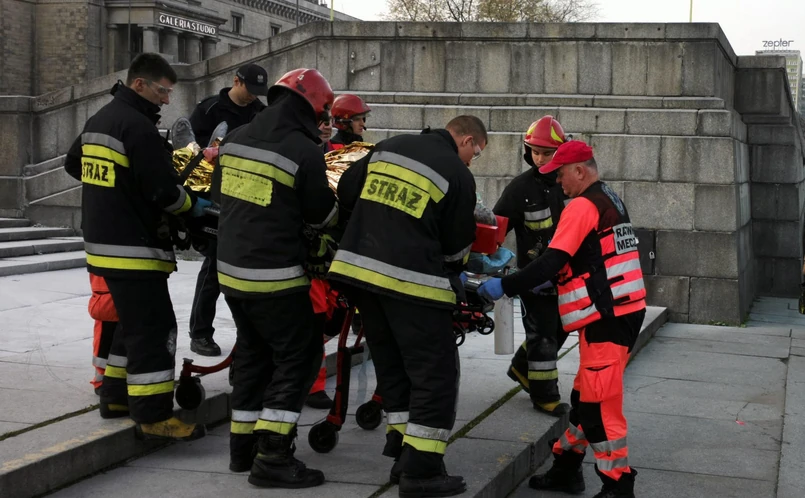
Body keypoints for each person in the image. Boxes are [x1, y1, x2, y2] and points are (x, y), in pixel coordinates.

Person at [328, 116, 486, 498]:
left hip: (361, 277)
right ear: (466, 140)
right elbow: (457, 249)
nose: (472, 160)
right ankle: (422, 471)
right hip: (412, 285)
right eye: (476, 153)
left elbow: (347, 190)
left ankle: (401, 450)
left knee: (393, 365)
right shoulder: (457, 174)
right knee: (435, 374)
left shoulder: (389, 146)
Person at [478, 141, 646, 498]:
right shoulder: (608, 198)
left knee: (598, 407)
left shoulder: (582, 206)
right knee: (585, 398)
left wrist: (505, 285)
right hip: (617, 313)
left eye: (560, 174)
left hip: (607, 318)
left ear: (579, 171)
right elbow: (590, 257)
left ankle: (618, 486)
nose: (557, 182)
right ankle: (566, 469)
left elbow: (552, 260)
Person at [64, 53, 210, 440]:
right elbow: (163, 192)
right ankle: (154, 415)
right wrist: (194, 206)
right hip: (135, 246)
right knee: (154, 329)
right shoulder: (138, 128)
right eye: (162, 91)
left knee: (130, 325)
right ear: (139, 83)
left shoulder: (101, 119)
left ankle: (115, 396)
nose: (166, 99)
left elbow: (73, 164)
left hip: (103, 243)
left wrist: (113, 192)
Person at [211, 68, 338, 488]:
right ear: (314, 109)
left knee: (253, 356)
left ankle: (242, 449)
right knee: (299, 356)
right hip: (276, 277)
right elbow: (321, 215)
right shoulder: (303, 149)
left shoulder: (236, 138)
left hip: (232, 274)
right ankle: (274, 455)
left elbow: (219, 194)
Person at [186, 63, 268, 356]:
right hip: (215, 199)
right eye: (250, 89)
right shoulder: (209, 110)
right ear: (236, 81)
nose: (253, 96)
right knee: (213, 268)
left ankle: (248, 336)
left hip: (248, 198)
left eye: (258, 92)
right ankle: (200, 333)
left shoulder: (260, 112)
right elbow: (187, 151)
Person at [492, 116, 571, 416]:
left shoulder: (567, 183)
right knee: (543, 335)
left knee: (562, 328)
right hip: (534, 280)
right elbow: (497, 227)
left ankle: (522, 368)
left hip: (565, 277)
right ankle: (545, 396)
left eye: (546, 153)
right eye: (535, 152)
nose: (539, 158)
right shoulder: (520, 188)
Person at [88, 275, 118, 394]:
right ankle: (103, 380)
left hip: (109, 293)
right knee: (105, 343)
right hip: (108, 294)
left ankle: (104, 380)